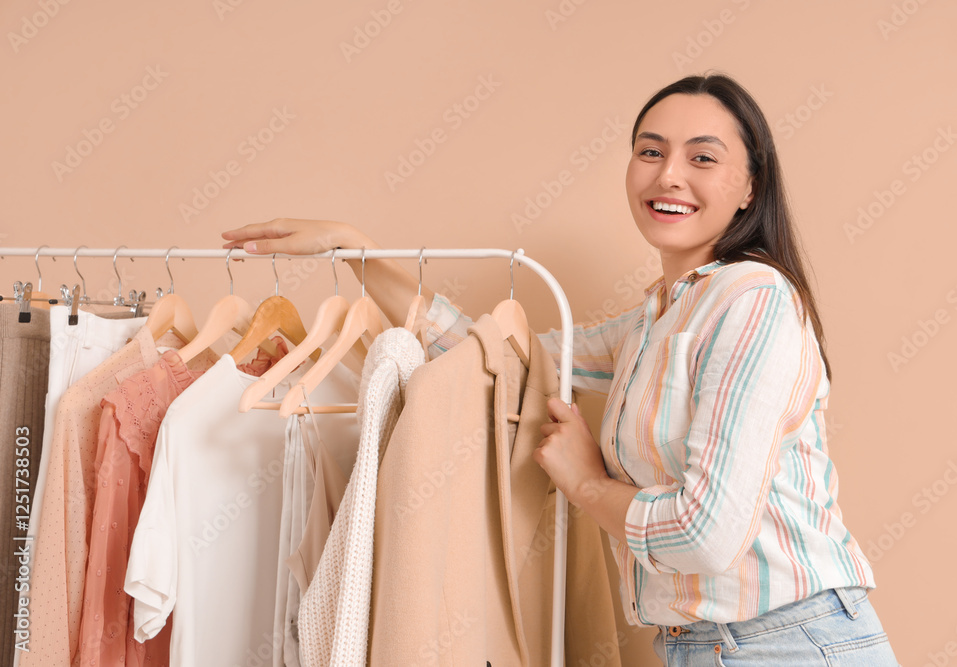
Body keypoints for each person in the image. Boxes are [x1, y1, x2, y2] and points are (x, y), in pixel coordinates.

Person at [222, 73, 899, 665]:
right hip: (704, 645)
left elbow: (705, 534)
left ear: (750, 185)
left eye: (702, 158)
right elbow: (490, 353)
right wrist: (359, 252)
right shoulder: (655, 321)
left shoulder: (753, 300)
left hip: (789, 643)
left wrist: (583, 482)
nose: (668, 174)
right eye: (650, 151)